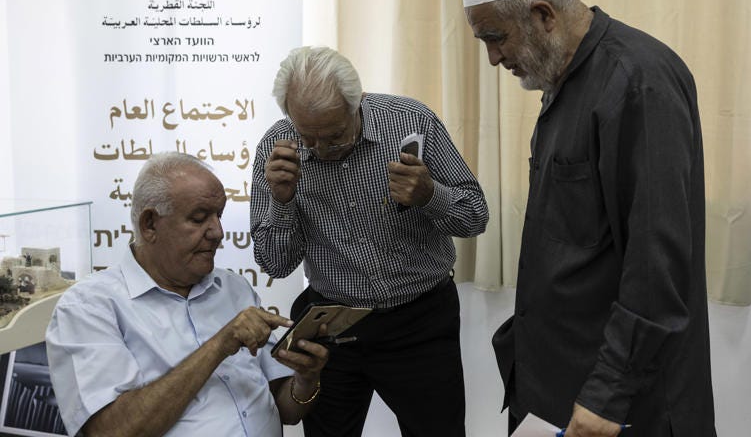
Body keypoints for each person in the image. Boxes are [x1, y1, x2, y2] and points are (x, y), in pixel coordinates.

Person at [460, 0, 717, 437]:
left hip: (616, 406)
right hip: (558, 384)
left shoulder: (638, 82)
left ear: (543, 15)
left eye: (496, 38)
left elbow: (655, 263)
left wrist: (606, 394)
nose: (493, 59)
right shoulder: (564, 78)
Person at [250, 46, 489, 436]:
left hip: (420, 322)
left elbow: (475, 216)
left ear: (357, 102)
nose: (321, 150)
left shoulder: (412, 122)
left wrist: (430, 195)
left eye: (334, 136)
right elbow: (275, 264)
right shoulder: (276, 151)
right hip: (333, 329)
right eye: (308, 138)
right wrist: (281, 202)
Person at [46, 152, 329, 437]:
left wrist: (306, 378)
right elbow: (112, 431)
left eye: (219, 215)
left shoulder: (234, 288)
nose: (218, 233)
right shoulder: (89, 306)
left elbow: (287, 410)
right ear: (150, 225)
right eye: (199, 218)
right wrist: (220, 344)